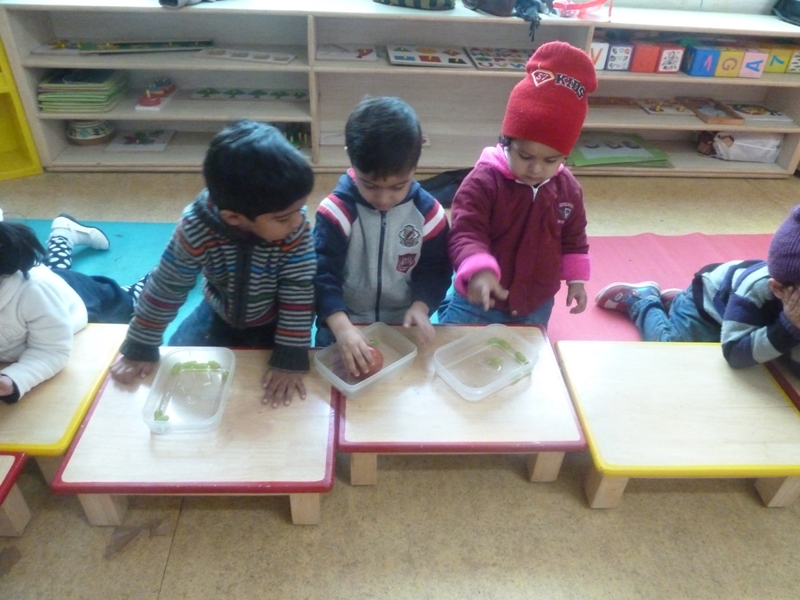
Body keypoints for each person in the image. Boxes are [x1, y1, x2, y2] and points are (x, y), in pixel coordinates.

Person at [109, 120, 316, 407]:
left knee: (264, 389)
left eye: (300, 208)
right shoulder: (196, 229)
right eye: (283, 218)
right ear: (233, 217)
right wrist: (141, 345)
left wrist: (290, 356)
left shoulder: (295, 229)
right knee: (174, 368)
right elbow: (166, 287)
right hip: (218, 313)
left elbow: (299, 293)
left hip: (276, 322)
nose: (298, 221)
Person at [437, 41, 597, 328]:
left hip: (535, 303)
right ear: (506, 142)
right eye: (525, 156)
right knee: (451, 346)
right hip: (480, 299)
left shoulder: (568, 189)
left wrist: (576, 279)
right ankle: (447, 296)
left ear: (565, 156)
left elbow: (574, 237)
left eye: (550, 160)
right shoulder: (483, 182)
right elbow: (466, 231)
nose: (536, 168)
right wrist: (479, 269)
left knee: (524, 354)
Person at [313, 96, 451, 378]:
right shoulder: (335, 213)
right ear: (351, 158)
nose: (384, 199)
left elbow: (436, 269)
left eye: (398, 187)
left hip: (402, 326)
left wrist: (421, 306)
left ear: (415, 166)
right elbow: (321, 274)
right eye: (370, 186)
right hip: (342, 325)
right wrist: (341, 326)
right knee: (335, 386)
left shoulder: (430, 215)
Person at [594, 204, 800, 372]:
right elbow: (734, 355)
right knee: (673, 352)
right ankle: (642, 300)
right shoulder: (754, 293)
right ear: (778, 288)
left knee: (771, 354)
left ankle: (676, 304)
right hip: (708, 303)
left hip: (745, 311)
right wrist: (790, 326)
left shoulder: (791, 287)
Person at [0, 213, 145, 404]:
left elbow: (51, 351)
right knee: (53, 268)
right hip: (48, 286)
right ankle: (63, 232)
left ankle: (174, 265)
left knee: (134, 297)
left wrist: (15, 379)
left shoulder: (35, 293)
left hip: (82, 298)